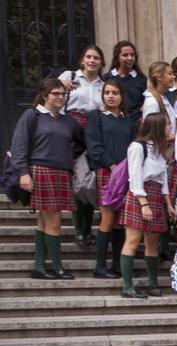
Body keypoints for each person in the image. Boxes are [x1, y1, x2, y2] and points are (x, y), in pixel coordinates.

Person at [10, 78, 85, 280]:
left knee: (44, 222)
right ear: (45, 95)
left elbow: (81, 142)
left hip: (61, 172)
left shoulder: (68, 120)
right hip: (41, 170)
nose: (61, 97)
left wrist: (69, 156)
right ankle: (57, 267)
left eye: (63, 94)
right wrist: (23, 173)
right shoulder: (32, 115)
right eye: (56, 94)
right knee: (53, 222)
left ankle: (40, 266)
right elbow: (19, 146)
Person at [118, 112, 175, 298]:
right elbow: (134, 177)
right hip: (140, 195)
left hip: (157, 195)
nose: (170, 129)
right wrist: (144, 203)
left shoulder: (159, 149)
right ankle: (127, 286)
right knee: (133, 241)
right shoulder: (137, 147)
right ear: (158, 126)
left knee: (153, 243)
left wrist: (168, 203)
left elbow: (163, 179)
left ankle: (152, 283)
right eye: (167, 125)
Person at [86, 79, 136, 278]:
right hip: (107, 172)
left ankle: (117, 265)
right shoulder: (96, 116)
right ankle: (100, 266)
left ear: (121, 96)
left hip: (126, 174)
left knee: (119, 220)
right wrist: (111, 164)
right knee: (107, 218)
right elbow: (93, 145)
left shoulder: (127, 121)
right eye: (106, 92)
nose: (110, 96)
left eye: (115, 92)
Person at [59, 45, 106, 247]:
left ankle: (88, 230)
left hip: (93, 131)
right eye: (88, 57)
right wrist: (60, 84)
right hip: (72, 129)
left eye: (96, 58)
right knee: (76, 180)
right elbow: (54, 97)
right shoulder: (69, 77)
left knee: (89, 180)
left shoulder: (104, 86)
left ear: (101, 62)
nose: (92, 61)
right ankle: (79, 230)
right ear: (82, 60)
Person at [105, 41, 146, 118]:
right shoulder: (107, 78)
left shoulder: (142, 80)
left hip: (135, 123)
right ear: (117, 58)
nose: (130, 58)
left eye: (132, 55)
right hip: (112, 121)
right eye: (125, 55)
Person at [140, 61, 177, 133]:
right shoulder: (152, 102)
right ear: (159, 77)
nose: (174, 77)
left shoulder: (163, 97)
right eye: (170, 74)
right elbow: (151, 132)